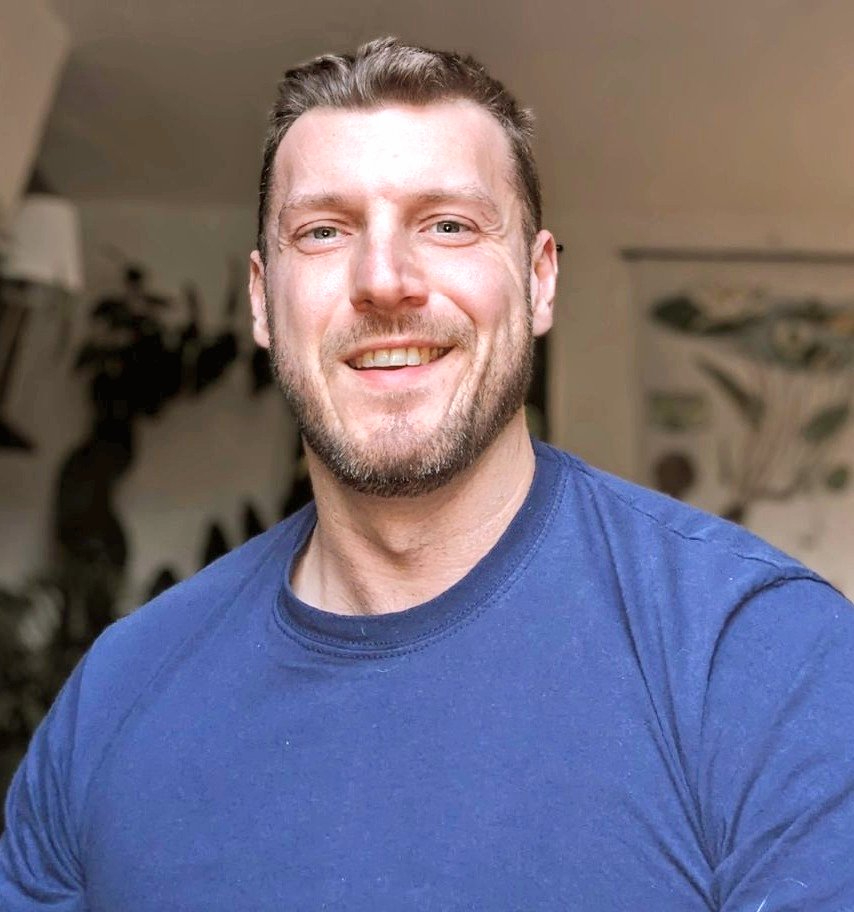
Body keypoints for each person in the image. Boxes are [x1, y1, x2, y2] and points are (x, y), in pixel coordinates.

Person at [2, 37, 853, 911]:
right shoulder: (113, 699)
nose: (384, 281)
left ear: (539, 279)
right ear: (262, 299)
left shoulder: (761, 656)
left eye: (448, 224)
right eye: (324, 231)